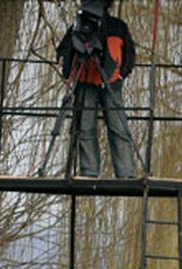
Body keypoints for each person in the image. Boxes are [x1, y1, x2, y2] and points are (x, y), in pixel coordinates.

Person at [56, 0, 137, 178]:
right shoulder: (79, 28)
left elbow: (130, 55)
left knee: (116, 127)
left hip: (110, 82)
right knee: (86, 127)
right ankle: (93, 172)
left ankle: (123, 172)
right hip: (86, 82)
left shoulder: (117, 27)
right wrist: (67, 65)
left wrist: (121, 73)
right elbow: (63, 50)